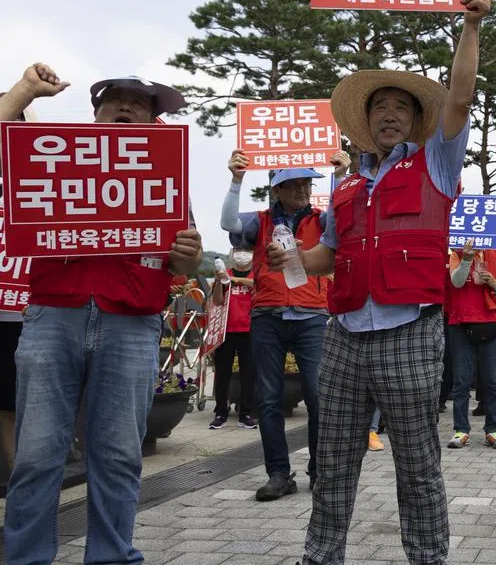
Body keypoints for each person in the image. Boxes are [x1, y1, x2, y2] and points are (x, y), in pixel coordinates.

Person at [267, 0, 490, 565]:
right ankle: (321, 555)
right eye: (379, 108)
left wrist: (469, 26)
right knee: (334, 459)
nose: (389, 115)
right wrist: (291, 260)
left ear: (418, 121)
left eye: (401, 108)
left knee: (416, 463)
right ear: (365, 123)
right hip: (342, 337)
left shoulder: (436, 163)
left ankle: (427, 557)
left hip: (411, 333)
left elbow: (461, 100)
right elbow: (328, 260)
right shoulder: (345, 186)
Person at [5, 75, 203, 565]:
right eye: (116, 101)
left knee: (117, 455)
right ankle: (25, 557)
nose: (127, 110)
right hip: (53, 311)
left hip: (132, 319)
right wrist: (24, 93)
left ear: (154, 121)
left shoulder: (166, 174)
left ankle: (112, 557)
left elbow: (182, 262)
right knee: (34, 454)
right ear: (95, 115)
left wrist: (188, 256)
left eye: (140, 105)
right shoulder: (53, 156)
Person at [222, 154, 348, 501]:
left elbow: (341, 224)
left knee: (319, 397)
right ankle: (278, 474)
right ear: (277, 189)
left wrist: (341, 175)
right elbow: (227, 222)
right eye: (294, 184)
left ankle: (320, 470)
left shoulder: (321, 221)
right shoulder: (259, 222)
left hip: (311, 316)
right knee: (269, 399)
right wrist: (236, 180)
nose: (303, 189)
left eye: (307, 183)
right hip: (268, 316)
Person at [0, 65, 65, 473]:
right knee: (6, 403)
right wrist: (25, 90)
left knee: (33, 402)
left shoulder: (52, 173)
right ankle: (24, 478)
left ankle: (37, 479)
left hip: (38, 306)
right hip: (5, 308)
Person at [445, 240, 496, 449]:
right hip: (461, 322)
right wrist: (467, 259)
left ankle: (493, 429)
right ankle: (461, 430)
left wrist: (495, 283)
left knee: (492, 379)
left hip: (491, 322)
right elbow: (456, 282)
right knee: (462, 379)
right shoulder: (456, 253)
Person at [208, 248, 257, 429]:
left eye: (246, 251)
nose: (241, 254)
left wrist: (236, 280)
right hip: (226, 331)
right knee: (222, 373)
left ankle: (246, 413)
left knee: (248, 374)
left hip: (249, 330)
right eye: (238, 251)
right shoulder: (224, 274)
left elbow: (257, 285)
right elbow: (218, 300)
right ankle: (221, 411)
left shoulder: (256, 273)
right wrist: (220, 282)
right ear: (232, 253)